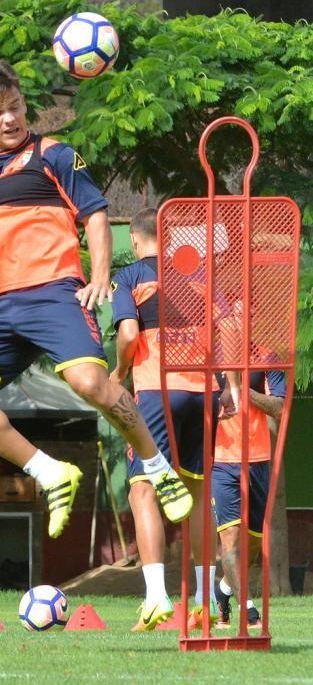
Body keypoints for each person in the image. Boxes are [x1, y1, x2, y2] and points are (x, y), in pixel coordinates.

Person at [0, 60, 193, 541]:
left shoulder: (56, 156)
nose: (9, 119)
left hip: (55, 293)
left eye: (15, 107)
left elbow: (95, 215)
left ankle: (158, 467)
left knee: (90, 382)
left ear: (24, 105)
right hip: (4, 306)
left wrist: (99, 276)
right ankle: (51, 472)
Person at [110, 207, 239, 631]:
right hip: (204, 392)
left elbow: (129, 334)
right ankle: (201, 598)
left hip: (156, 393)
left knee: (143, 491)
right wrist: (229, 386)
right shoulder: (201, 276)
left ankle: (155, 597)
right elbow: (230, 329)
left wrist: (119, 372)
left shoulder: (130, 277)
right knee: (198, 495)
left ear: (135, 238)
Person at [212, 367, 286, 628]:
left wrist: (241, 390)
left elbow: (278, 406)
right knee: (230, 539)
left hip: (258, 460)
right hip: (219, 461)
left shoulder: (267, 356)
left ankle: (223, 588)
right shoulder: (210, 355)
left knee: (253, 542)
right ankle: (248, 608)